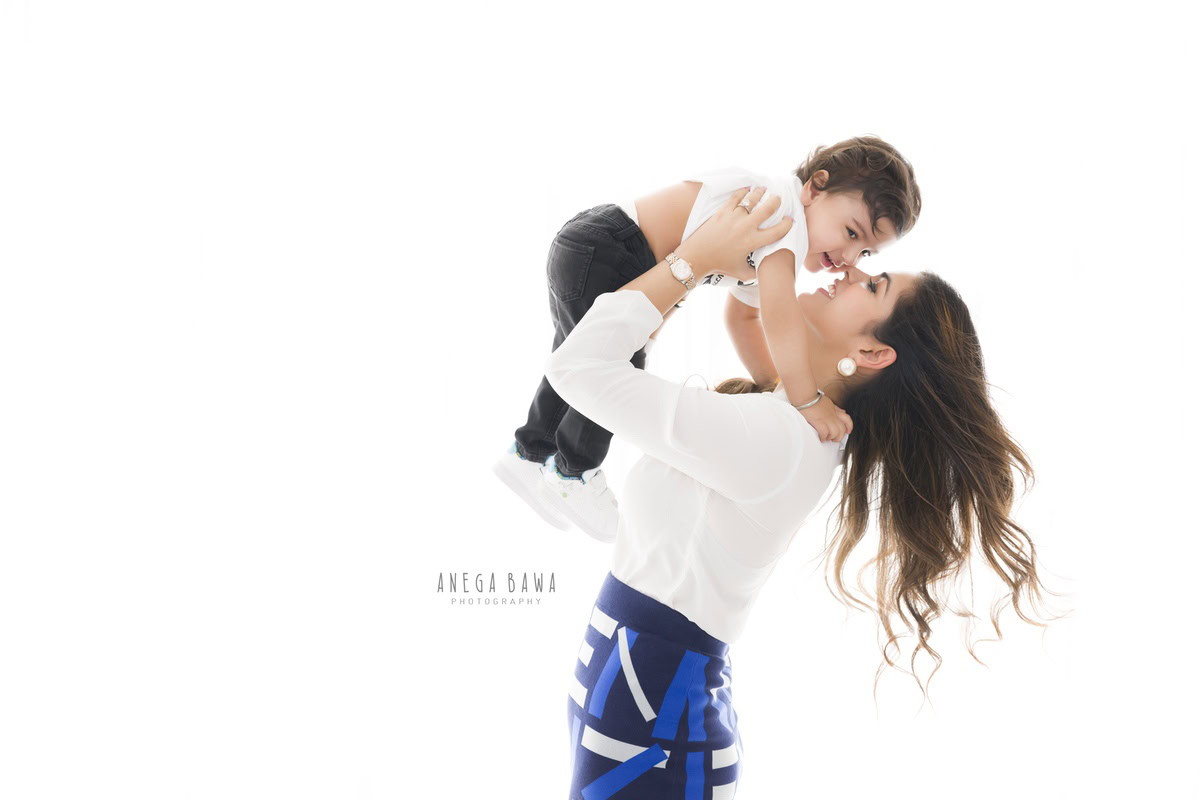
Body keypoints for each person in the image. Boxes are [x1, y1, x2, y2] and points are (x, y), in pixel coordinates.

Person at [549, 188, 1054, 799]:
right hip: (636, 690)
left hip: (651, 709)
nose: (850, 271)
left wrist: (690, 259)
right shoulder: (796, 415)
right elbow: (747, 313)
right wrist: (742, 254)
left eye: (873, 286)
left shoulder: (783, 439)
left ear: (871, 351)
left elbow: (574, 371)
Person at [493, 137, 921, 542]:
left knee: (578, 355)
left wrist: (776, 387)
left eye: (865, 252)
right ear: (816, 186)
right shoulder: (780, 216)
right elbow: (779, 315)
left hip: (593, 246)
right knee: (612, 364)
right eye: (851, 232)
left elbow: (746, 316)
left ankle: (528, 453)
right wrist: (806, 398)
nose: (849, 259)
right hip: (615, 250)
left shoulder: (770, 238)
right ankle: (573, 472)